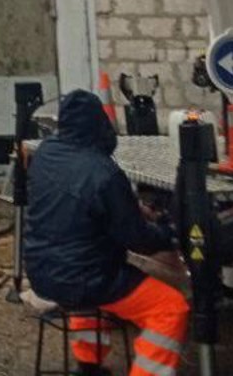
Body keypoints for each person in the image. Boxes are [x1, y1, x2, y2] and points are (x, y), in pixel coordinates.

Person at [24, 90, 189, 376]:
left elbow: (76, 207)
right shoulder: (105, 173)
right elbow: (137, 239)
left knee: (84, 278)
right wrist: (168, 234)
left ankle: (88, 364)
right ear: (100, 124)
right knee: (170, 308)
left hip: (41, 271)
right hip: (88, 280)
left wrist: (127, 208)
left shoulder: (45, 155)